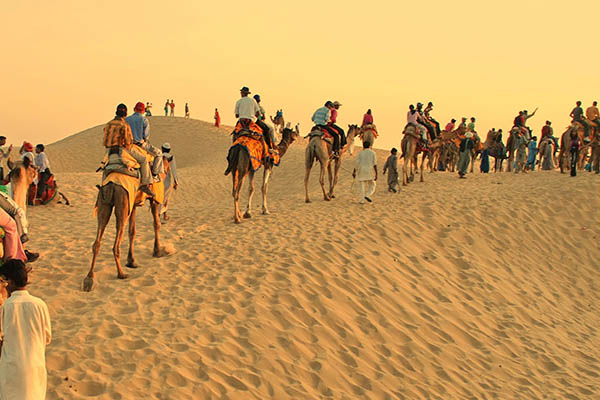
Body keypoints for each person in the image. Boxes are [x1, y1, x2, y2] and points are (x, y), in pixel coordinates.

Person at [0, 259, 51, 400]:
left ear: (10, 281)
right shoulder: (40, 305)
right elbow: (47, 338)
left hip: (12, 369)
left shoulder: (6, 308)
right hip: (36, 366)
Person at [103, 104, 154, 197]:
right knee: (143, 160)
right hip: (122, 149)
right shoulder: (125, 124)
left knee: (105, 165)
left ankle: (103, 186)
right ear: (125, 113)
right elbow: (128, 142)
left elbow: (104, 141)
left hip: (109, 150)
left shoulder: (108, 124)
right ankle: (145, 183)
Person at [126, 102, 163, 179]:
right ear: (143, 111)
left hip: (127, 145)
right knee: (159, 153)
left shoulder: (127, 119)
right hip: (140, 145)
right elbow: (146, 136)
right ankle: (154, 174)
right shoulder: (144, 120)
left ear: (134, 109)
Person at [160, 143, 178, 222]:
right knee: (166, 198)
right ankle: (162, 215)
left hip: (159, 178)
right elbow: (174, 169)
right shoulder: (171, 158)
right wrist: (176, 181)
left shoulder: (159, 156)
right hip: (167, 179)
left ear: (162, 149)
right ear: (169, 150)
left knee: (161, 197)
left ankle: (162, 215)